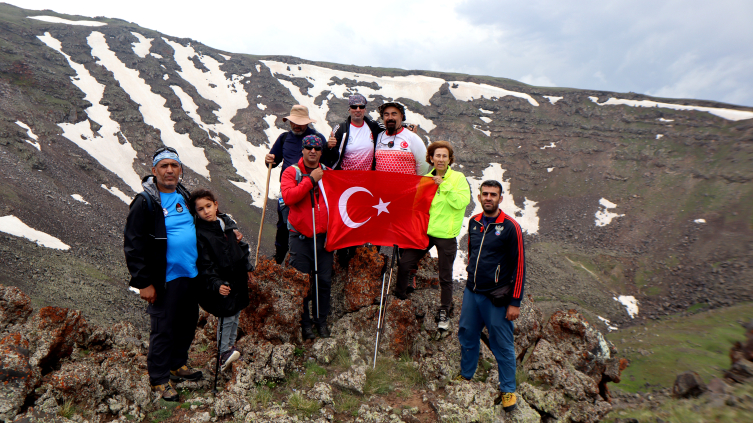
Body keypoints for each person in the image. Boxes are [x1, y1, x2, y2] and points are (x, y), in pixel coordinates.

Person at [124, 147, 206, 402]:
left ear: (180, 170)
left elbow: (208, 214)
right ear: (154, 171)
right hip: (164, 280)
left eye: (174, 165)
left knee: (187, 322)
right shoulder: (145, 201)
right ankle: (159, 378)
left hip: (190, 275)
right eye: (164, 166)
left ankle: (177, 364)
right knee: (163, 329)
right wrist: (144, 282)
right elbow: (133, 243)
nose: (169, 170)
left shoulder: (184, 196)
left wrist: (231, 228)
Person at [456, 180, 526, 413]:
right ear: (479, 196)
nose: (488, 198)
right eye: (485, 194)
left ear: (500, 198)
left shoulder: (510, 227)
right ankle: (466, 375)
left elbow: (520, 266)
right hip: (472, 292)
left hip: (496, 297)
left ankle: (508, 390)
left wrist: (514, 302)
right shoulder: (474, 222)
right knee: (467, 333)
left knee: (502, 344)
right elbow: (471, 253)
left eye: (493, 194)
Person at [394, 141, 470, 330]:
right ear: (431, 158)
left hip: (445, 233)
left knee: (445, 275)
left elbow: (461, 202)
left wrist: (443, 186)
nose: (441, 159)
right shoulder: (425, 179)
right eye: (438, 156)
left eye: (445, 156)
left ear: (449, 159)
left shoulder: (458, 178)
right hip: (425, 232)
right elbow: (417, 206)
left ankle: (444, 310)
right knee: (405, 263)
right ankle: (400, 297)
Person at [190, 188, 253, 372]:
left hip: (237, 278)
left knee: (235, 312)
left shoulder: (227, 223)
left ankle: (230, 345)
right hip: (222, 282)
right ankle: (223, 351)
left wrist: (248, 267)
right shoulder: (201, 234)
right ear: (196, 213)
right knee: (226, 315)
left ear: (216, 205)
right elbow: (205, 264)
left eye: (208, 206)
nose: (206, 211)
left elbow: (241, 247)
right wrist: (216, 284)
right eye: (201, 209)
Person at [280, 135, 334, 340]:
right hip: (300, 237)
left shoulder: (329, 173)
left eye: (317, 148)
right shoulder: (291, 172)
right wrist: (311, 180)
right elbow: (289, 197)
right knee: (302, 282)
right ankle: (305, 325)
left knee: (324, 282)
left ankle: (321, 322)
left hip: (324, 238)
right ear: (302, 150)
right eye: (309, 147)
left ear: (321, 151)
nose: (313, 151)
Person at [265, 105, 327, 264]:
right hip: (288, 186)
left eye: (300, 122)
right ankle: (280, 256)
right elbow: (274, 159)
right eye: (293, 122)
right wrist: (269, 160)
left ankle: (305, 255)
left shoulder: (316, 138)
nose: (296, 125)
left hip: (314, 188)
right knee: (284, 222)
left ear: (307, 122)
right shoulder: (284, 138)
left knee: (309, 220)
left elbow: (327, 161)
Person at [374, 102, 430, 176]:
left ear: (401, 116)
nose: (390, 117)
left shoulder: (412, 137)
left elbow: (424, 163)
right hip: (381, 186)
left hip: (406, 186)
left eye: (394, 114)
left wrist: (416, 182)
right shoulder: (378, 137)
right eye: (386, 114)